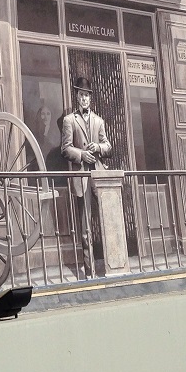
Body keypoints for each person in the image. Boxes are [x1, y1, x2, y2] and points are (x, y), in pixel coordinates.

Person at [61, 76, 111, 277]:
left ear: (91, 98)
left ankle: (110, 266)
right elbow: (65, 149)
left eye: (87, 95)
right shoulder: (69, 120)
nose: (85, 99)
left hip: (99, 175)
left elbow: (108, 146)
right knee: (86, 226)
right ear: (77, 96)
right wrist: (82, 154)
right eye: (81, 95)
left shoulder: (99, 121)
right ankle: (90, 272)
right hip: (82, 176)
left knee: (107, 220)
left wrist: (98, 147)